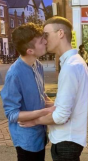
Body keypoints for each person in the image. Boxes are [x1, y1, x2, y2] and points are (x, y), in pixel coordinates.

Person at [19, 16, 88, 161]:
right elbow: (71, 104)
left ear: (61, 34)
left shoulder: (70, 66)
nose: (44, 40)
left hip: (66, 141)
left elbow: (61, 116)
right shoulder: (75, 62)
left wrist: (34, 121)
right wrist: (52, 104)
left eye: (46, 35)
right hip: (69, 140)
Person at [1, 23, 55, 161]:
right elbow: (12, 114)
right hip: (26, 140)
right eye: (41, 41)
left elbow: (41, 94)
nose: (45, 41)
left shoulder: (38, 65)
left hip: (40, 136)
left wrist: (52, 103)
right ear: (30, 51)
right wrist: (45, 112)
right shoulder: (15, 74)